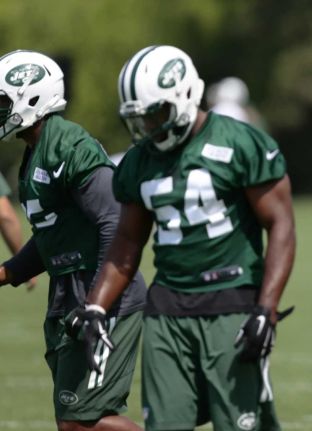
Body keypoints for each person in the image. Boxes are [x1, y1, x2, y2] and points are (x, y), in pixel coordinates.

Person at [69, 45, 296, 431]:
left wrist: (266, 309)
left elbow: (281, 226)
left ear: (186, 96)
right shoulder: (139, 161)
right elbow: (126, 241)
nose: (149, 127)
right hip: (167, 311)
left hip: (232, 303)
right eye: (139, 118)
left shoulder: (240, 142)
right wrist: (95, 307)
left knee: (241, 424)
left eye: (156, 113)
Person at [0, 50, 146, 431]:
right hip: (69, 292)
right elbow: (49, 235)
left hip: (101, 294)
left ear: (31, 98)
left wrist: (98, 303)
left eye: (2, 101)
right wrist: (7, 272)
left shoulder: (67, 143)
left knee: (83, 422)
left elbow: (115, 220)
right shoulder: (35, 151)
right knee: (73, 421)